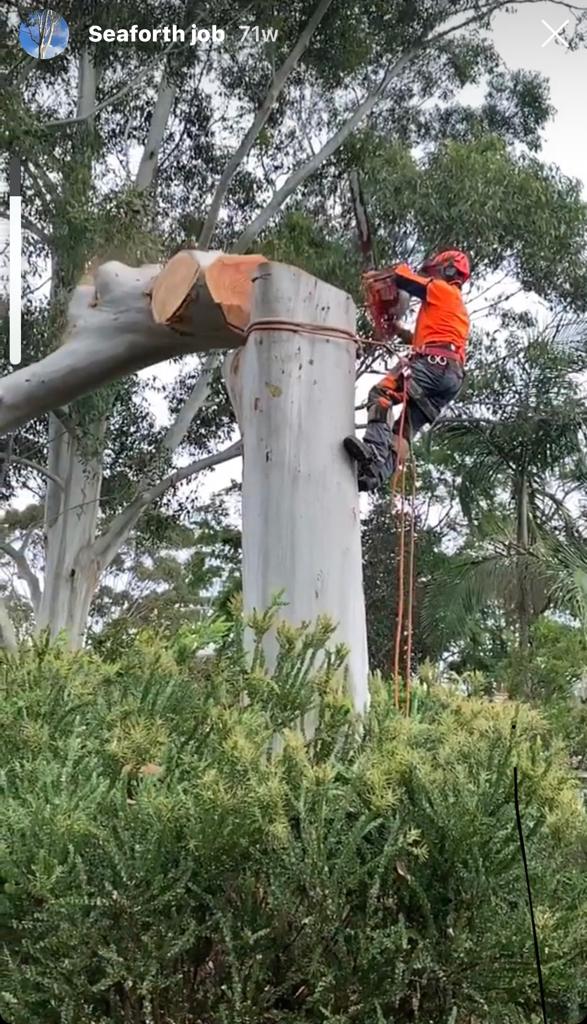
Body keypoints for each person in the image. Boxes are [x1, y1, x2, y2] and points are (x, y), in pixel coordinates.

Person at [343, 249, 471, 491]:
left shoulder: (442, 289)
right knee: (404, 430)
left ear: (448, 269)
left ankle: (375, 451)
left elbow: (403, 279)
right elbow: (430, 340)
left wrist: (384, 274)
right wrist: (398, 330)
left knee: (381, 394)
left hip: (434, 366)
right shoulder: (455, 308)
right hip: (450, 377)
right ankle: (375, 475)